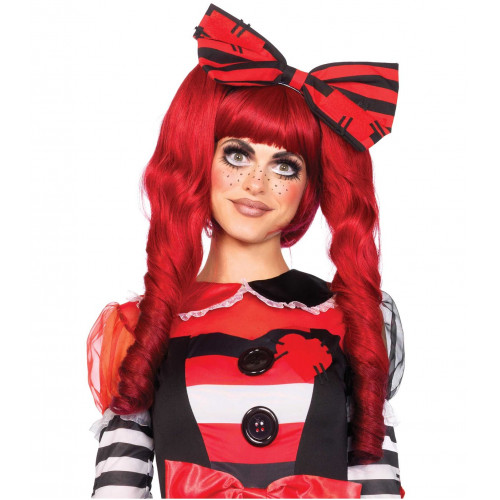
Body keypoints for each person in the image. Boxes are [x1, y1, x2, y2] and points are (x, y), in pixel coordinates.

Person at [87, 4, 405, 498]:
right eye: (237, 154)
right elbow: (116, 489)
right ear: (201, 160)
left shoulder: (356, 319)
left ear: (310, 187)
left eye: (285, 165)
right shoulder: (140, 328)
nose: (256, 183)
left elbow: (377, 479)